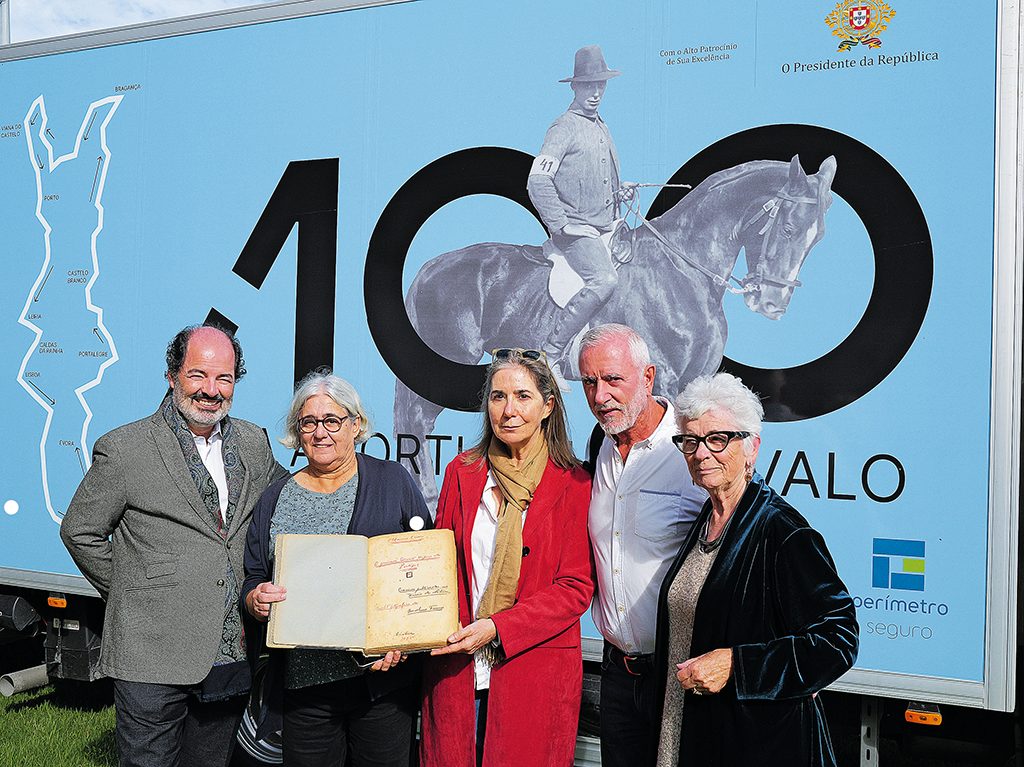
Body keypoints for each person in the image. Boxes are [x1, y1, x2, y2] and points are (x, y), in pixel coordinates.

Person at [60, 323, 287, 767]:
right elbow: (79, 530)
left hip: (230, 651)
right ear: (172, 375)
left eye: (224, 378)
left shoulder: (253, 443)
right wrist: (133, 593)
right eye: (198, 375)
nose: (210, 390)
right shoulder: (126, 448)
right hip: (151, 653)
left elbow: (288, 500)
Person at [654, 372, 858, 766]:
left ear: (752, 447)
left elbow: (838, 638)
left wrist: (738, 665)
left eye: (717, 439)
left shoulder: (782, 531)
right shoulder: (709, 517)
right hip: (688, 730)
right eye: (690, 441)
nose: (701, 453)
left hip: (757, 743)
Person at [241, 369, 430, 767]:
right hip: (305, 688)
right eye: (309, 422)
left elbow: (424, 571)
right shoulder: (278, 497)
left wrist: (402, 641)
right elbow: (254, 575)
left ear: (355, 424)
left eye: (332, 420)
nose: (320, 432)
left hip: (380, 684)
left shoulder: (392, 481)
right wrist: (255, 599)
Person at [420, 348, 594, 767]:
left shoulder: (574, 482)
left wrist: (498, 628)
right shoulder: (462, 473)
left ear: (548, 405)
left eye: (522, 396)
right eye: (498, 397)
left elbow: (575, 588)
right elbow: (440, 568)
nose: (509, 410)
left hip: (534, 673)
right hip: (458, 672)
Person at [576, 323, 705, 767]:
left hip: (680, 677)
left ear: (648, 378)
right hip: (616, 675)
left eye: (613, 379)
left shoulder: (692, 448)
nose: (599, 396)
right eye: (589, 382)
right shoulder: (601, 446)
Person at [528, 45, 632, 376]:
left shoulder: (601, 125)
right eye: (589, 85)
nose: (596, 93)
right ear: (575, 87)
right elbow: (537, 181)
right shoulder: (563, 127)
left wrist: (620, 188)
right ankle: (551, 352)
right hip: (578, 232)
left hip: (607, 224)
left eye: (601, 85)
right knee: (604, 280)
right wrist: (562, 226)